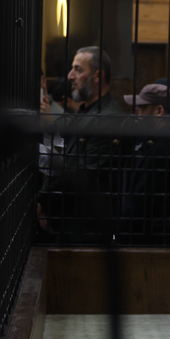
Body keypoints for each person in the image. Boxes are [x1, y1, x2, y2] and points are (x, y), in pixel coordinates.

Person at [37, 46, 127, 244]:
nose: (70, 76)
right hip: (74, 221)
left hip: (90, 229)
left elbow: (81, 173)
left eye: (78, 69)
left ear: (97, 75)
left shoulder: (108, 119)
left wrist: (44, 201)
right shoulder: (87, 112)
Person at [119, 83, 170, 245]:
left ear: (159, 111)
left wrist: (121, 234)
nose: (136, 114)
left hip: (153, 239)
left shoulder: (164, 147)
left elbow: (142, 200)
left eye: (141, 108)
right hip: (160, 235)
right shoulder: (169, 141)